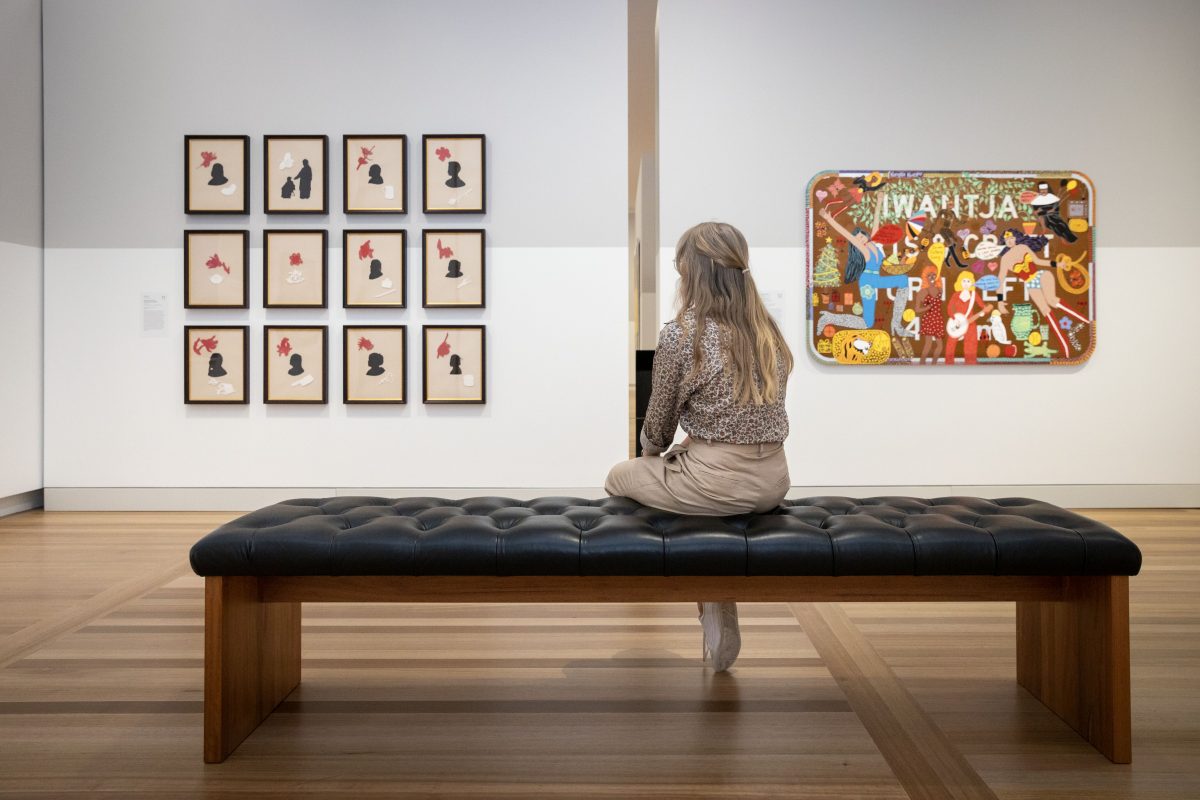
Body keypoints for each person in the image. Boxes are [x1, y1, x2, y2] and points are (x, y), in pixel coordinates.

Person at [605, 221, 793, 672]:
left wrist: (653, 458)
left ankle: (710, 602)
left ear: (693, 272)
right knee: (683, 479)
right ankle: (716, 595)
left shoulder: (682, 334)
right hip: (774, 481)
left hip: (717, 482)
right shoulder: (767, 331)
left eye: (679, 266)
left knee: (619, 476)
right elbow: (751, 416)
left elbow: (658, 428)